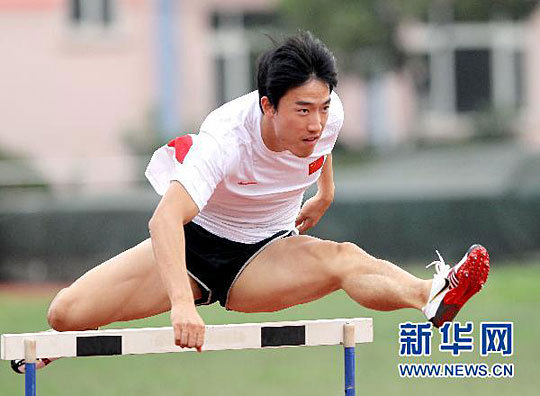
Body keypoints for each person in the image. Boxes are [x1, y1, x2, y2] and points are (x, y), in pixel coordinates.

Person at [11, 31, 489, 373]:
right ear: (267, 105)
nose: (316, 124)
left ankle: (432, 295)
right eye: (302, 111)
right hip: (192, 252)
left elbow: (321, 148)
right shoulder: (225, 138)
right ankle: (86, 329)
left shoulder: (328, 114)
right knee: (65, 315)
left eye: (322, 108)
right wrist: (181, 304)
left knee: (343, 257)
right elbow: (164, 222)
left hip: (266, 253)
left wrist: (325, 191)